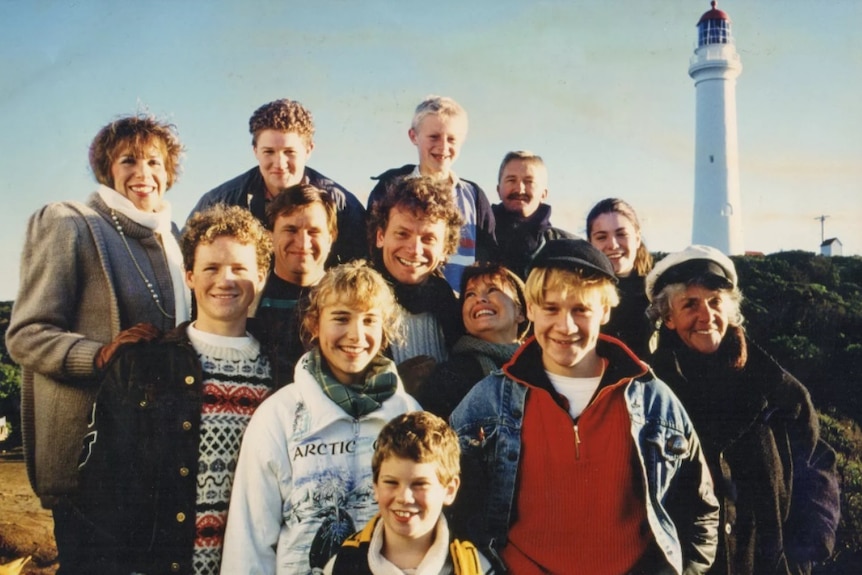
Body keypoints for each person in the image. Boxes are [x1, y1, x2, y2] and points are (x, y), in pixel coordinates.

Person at [449, 238, 719, 575]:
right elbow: (447, 506)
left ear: (605, 311)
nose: (566, 326)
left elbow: (701, 510)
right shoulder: (485, 402)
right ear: (530, 310)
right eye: (551, 308)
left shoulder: (654, 401)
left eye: (581, 309)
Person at [5, 114, 191, 574]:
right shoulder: (70, 222)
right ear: (107, 170)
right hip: (97, 464)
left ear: (169, 172)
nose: (143, 173)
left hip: (162, 457)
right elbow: (27, 334)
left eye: (154, 161)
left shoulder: (178, 239)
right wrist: (100, 353)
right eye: (128, 160)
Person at [73, 204, 275, 575]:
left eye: (240, 269)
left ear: (261, 276)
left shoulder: (285, 373)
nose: (225, 280)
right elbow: (100, 488)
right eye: (211, 268)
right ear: (189, 277)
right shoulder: (142, 366)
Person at [645, 244, 841, 575]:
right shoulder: (649, 393)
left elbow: (818, 464)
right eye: (690, 304)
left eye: (715, 301)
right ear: (668, 317)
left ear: (731, 308)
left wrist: (806, 550)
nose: (706, 315)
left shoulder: (778, 388)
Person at [220, 261, 422, 575]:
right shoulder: (280, 415)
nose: (356, 335)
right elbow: (250, 541)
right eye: (341, 318)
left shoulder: (408, 415)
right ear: (315, 324)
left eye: (370, 320)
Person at [189, 98, 366, 265]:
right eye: (269, 152)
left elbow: (362, 267)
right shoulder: (219, 202)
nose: (280, 164)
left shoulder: (342, 205)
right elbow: (188, 260)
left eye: (289, 152)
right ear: (255, 151)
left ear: (308, 150)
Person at [323, 411, 494, 575]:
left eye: (420, 484)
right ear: (375, 486)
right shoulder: (342, 567)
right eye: (391, 482)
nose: (404, 497)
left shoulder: (474, 569)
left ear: (449, 490)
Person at [367, 95, 496, 291]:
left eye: (451, 139)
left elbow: (488, 260)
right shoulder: (390, 188)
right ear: (413, 136)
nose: (443, 147)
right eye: (434, 137)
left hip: (457, 312)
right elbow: (373, 252)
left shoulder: (474, 196)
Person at [367, 176, 465, 372]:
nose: (415, 249)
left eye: (428, 239)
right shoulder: (355, 301)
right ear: (381, 237)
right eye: (402, 234)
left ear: (445, 249)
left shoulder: (457, 310)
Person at [416, 262, 529, 419]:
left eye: (492, 290)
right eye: (470, 294)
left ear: (521, 312)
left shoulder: (543, 367)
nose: (479, 299)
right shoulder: (450, 376)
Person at [253, 184, 337, 386]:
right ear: (269, 235)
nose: (303, 243)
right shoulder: (249, 299)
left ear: (331, 237)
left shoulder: (346, 299)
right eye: (290, 229)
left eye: (314, 231)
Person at [492, 151, 576, 279]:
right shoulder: (480, 236)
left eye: (528, 181)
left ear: (544, 194)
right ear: (498, 190)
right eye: (511, 180)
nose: (519, 189)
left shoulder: (564, 247)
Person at [587, 197, 653, 360]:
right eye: (602, 237)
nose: (613, 245)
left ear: (637, 239)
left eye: (621, 234)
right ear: (590, 243)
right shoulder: (580, 294)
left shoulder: (657, 292)